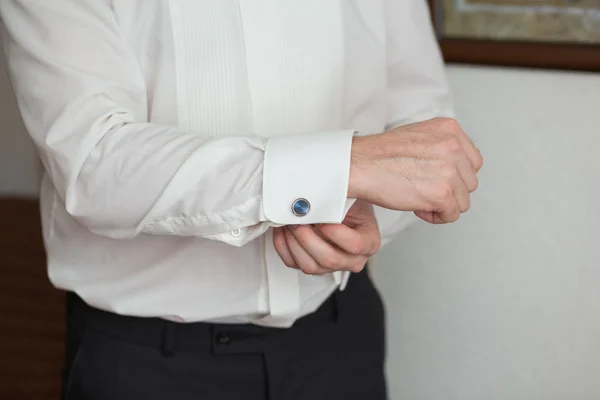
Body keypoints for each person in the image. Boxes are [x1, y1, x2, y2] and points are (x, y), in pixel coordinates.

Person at [0, 1, 482, 399]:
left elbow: (421, 121)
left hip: (340, 339)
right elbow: (94, 162)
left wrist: (358, 210)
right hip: (149, 366)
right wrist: (332, 172)